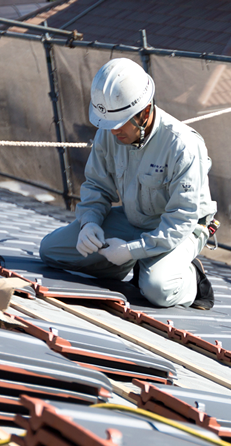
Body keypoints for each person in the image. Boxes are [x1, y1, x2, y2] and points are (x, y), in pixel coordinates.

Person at [39, 58, 216, 309]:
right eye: (108, 124)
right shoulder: (110, 131)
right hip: (135, 221)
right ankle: (129, 265)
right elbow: (98, 186)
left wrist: (133, 249)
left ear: (144, 113)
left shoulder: (182, 145)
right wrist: (90, 222)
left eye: (119, 124)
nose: (113, 132)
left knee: (158, 289)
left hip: (180, 229)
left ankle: (193, 280)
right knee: (51, 251)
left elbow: (181, 220)